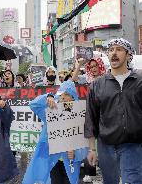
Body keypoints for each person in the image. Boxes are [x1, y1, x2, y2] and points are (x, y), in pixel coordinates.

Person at [85, 38, 142, 184]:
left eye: (119, 49)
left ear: (129, 55)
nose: (114, 53)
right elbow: (91, 117)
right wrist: (92, 149)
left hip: (133, 145)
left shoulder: (139, 80)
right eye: (111, 50)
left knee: (133, 180)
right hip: (106, 146)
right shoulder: (97, 85)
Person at [23, 80, 87, 184]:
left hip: (70, 163)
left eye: (67, 94)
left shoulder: (79, 115)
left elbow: (85, 142)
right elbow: (33, 105)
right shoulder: (52, 111)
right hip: (53, 161)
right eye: (61, 94)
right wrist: (48, 96)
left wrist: (77, 153)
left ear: (73, 97)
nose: (63, 97)